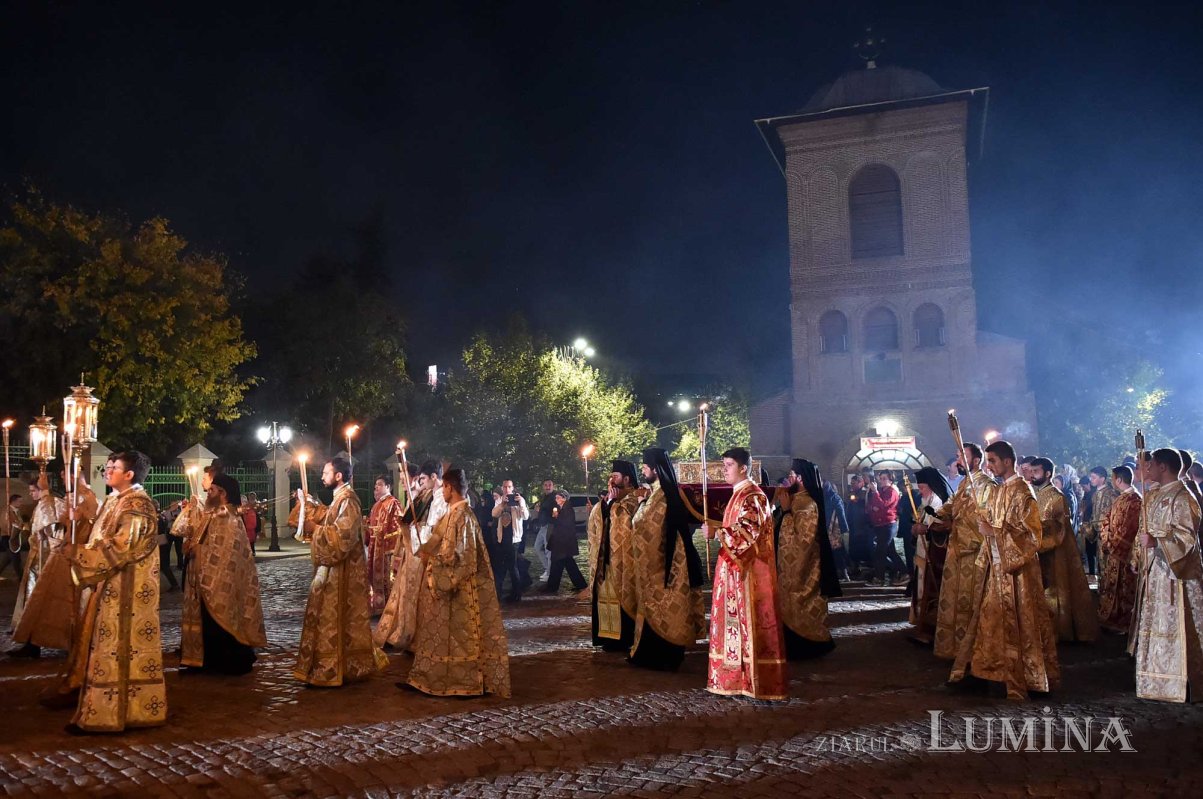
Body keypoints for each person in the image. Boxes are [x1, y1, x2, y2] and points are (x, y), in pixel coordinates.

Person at [59, 451, 166, 733]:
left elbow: (121, 548)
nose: (107, 471)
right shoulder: (114, 500)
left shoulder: (136, 506)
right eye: (106, 467)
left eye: (113, 468)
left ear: (129, 474)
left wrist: (80, 556)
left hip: (124, 589)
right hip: (108, 585)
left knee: (117, 649)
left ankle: (111, 714)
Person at [948, 440, 1059, 700]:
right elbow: (990, 526)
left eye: (993, 461)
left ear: (1007, 461)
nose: (989, 466)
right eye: (987, 462)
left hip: (1017, 572)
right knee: (989, 622)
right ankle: (989, 672)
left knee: (1021, 624)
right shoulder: (997, 492)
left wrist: (995, 532)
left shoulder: (1024, 493)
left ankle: (1026, 676)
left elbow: (1032, 537)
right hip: (996, 569)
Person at [406, 467, 510, 698]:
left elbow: (458, 556)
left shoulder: (461, 515)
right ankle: (437, 678)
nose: (441, 491)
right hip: (453, 588)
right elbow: (437, 541)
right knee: (445, 636)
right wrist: (425, 548)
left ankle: (464, 682)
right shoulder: (455, 513)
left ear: (449, 487)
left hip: (461, 590)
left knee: (461, 638)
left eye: (443, 486)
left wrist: (432, 562)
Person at [703, 448, 788, 698]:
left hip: (749, 574)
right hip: (735, 572)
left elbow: (747, 532)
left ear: (743, 468)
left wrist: (717, 533)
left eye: (729, 465)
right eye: (724, 464)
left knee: (749, 625)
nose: (724, 469)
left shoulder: (752, 496)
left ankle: (753, 681)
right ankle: (735, 679)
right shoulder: (740, 494)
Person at [294, 456, 384, 686]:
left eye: (326, 472)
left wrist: (315, 530)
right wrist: (309, 504)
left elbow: (342, 536)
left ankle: (335, 667)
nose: (322, 476)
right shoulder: (339, 499)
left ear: (338, 476)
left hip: (342, 572)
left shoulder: (349, 500)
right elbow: (328, 517)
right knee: (327, 617)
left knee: (333, 619)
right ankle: (329, 666)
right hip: (333, 570)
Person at [171, 473, 267, 674]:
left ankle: (224, 662)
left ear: (222, 493)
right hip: (202, 579)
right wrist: (190, 546)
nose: (208, 493)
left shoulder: (229, 519)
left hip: (219, 583)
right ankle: (202, 660)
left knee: (220, 624)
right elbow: (190, 536)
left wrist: (198, 550)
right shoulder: (212, 515)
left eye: (212, 490)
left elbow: (225, 554)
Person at [1130, 448, 1203, 702]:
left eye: (1150, 464)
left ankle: (1180, 683)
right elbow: (1143, 531)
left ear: (1163, 467)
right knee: (1155, 623)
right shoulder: (1152, 496)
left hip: (1176, 576)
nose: (1145, 468)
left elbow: (1186, 538)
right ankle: (1154, 680)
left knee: (1179, 624)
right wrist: (1138, 555)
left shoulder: (1183, 497)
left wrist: (1157, 542)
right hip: (1155, 574)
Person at [629, 447, 705, 671]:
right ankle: (657, 654)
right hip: (667, 558)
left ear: (655, 469)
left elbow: (643, 525)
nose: (643, 471)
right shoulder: (661, 491)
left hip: (666, 561)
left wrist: (642, 503)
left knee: (665, 605)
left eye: (645, 467)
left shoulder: (661, 494)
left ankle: (663, 656)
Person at [930, 443, 993, 660]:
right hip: (956, 551)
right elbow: (951, 507)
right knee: (953, 602)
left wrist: (952, 525)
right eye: (957, 456)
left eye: (962, 456)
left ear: (976, 460)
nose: (957, 461)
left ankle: (971, 651)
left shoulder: (986, 485)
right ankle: (954, 648)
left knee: (970, 604)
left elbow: (984, 522)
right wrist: (935, 517)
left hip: (973, 554)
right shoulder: (965, 483)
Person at [776, 458, 842, 659]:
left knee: (804, 603)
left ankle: (812, 645)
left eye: (791, 476)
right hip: (792, 570)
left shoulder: (807, 504)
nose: (789, 479)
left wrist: (787, 512)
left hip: (805, 568)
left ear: (800, 478)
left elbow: (803, 541)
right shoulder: (798, 499)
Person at [1030, 458, 1098, 643]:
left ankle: (1059, 630)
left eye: (1036, 471)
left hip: (1054, 553)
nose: (1032, 474)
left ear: (1047, 474)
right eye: (1031, 471)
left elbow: (1060, 528)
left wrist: (1038, 538)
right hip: (1037, 550)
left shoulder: (1056, 497)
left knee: (1056, 591)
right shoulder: (1034, 494)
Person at [7, 473, 71, 658]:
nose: (31, 494)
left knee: (35, 601)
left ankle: (34, 643)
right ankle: (31, 641)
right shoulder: (53, 503)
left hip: (43, 560)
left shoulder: (46, 504)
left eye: (33, 490)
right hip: (40, 558)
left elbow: (50, 532)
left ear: (42, 488)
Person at [587, 460, 640, 650]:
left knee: (622, 598)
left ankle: (623, 639)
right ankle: (607, 638)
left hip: (625, 560)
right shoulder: (611, 499)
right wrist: (608, 502)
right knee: (605, 597)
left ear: (626, 479)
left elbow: (627, 519)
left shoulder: (635, 497)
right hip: (606, 558)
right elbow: (597, 518)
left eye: (615, 476)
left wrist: (614, 504)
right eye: (611, 476)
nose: (611, 480)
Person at [375, 463, 427, 649]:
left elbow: (419, 527)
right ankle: (400, 630)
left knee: (410, 597)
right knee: (402, 595)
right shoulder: (412, 496)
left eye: (405, 480)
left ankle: (409, 634)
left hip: (416, 553)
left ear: (414, 478)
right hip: (407, 551)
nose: (403, 484)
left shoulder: (421, 498)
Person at [907, 466, 951, 646]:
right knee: (921, 589)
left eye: (923, 488)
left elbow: (942, 528)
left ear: (932, 486)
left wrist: (924, 529)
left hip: (935, 555)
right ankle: (921, 625)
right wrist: (915, 529)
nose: (920, 491)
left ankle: (931, 631)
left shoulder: (940, 503)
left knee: (931, 591)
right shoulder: (925, 502)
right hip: (923, 553)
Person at [1099, 466, 1141, 632]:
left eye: (1113, 477)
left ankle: (1123, 622)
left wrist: (1113, 544)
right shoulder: (1120, 499)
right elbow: (1107, 520)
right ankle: (1110, 617)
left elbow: (1130, 528)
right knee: (1111, 586)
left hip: (1124, 553)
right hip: (1112, 550)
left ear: (1118, 480)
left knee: (1124, 588)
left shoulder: (1135, 501)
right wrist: (1106, 538)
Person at [365, 473, 403, 615]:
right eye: (375, 485)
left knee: (387, 579)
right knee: (374, 577)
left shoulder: (393, 503)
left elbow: (398, 527)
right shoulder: (376, 505)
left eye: (379, 484)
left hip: (386, 550)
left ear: (388, 486)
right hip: (375, 548)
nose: (376, 488)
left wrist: (388, 546)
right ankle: (377, 605)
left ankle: (390, 607)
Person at [491, 478, 529, 600]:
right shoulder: (499, 500)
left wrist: (521, 504)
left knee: (513, 567)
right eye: (505, 487)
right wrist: (502, 504)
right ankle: (499, 593)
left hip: (514, 539)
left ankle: (516, 594)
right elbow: (494, 514)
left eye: (509, 487)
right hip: (501, 538)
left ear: (513, 488)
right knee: (500, 567)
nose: (507, 489)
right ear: (502, 488)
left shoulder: (519, 500)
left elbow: (526, 516)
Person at [866, 471, 905, 586]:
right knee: (891, 551)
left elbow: (883, 505)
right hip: (880, 525)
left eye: (884, 478)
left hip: (888, 525)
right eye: (881, 478)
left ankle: (880, 579)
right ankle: (905, 573)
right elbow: (873, 506)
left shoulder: (892, 492)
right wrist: (875, 505)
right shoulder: (882, 491)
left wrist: (876, 493)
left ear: (890, 480)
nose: (881, 481)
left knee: (880, 552)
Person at [543, 490, 587, 593]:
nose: (556, 500)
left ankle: (552, 587)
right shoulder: (562, 508)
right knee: (569, 564)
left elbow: (565, 524)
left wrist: (557, 517)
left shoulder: (567, 509)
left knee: (557, 564)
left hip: (562, 543)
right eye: (556, 498)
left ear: (564, 498)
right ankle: (580, 584)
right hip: (562, 543)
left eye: (558, 498)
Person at [533, 478, 557, 581]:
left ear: (553, 486)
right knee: (537, 547)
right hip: (542, 526)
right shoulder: (544, 497)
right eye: (546, 485)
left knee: (548, 550)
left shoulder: (555, 497)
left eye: (549, 485)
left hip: (549, 525)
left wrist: (541, 510)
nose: (547, 487)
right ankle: (548, 569)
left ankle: (550, 573)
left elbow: (554, 512)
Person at [2, 493, 27, 579]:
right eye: (20, 501)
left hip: (14, 537)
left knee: (8, 559)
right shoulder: (7, 512)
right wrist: (19, 526)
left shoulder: (16, 511)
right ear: (14, 502)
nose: (21, 503)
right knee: (16, 560)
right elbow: (6, 524)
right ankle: (22, 579)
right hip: (8, 537)